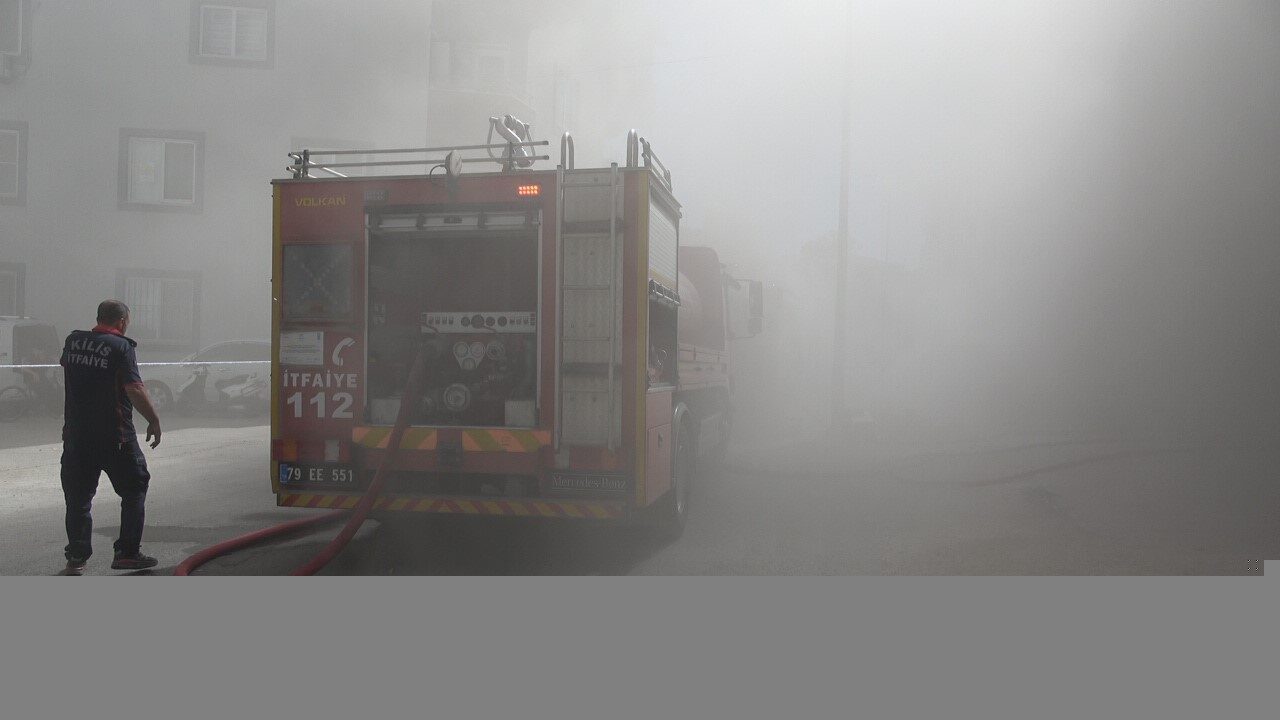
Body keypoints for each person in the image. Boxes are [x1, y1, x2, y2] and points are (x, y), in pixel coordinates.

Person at [58, 300, 162, 575]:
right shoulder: (122, 348)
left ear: (98, 317)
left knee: (78, 499)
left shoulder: (73, 342)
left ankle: (77, 557)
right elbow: (135, 389)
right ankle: (127, 553)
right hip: (116, 438)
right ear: (123, 321)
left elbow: (68, 368)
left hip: (77, 438)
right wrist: (153, 419)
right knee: (134, 490)